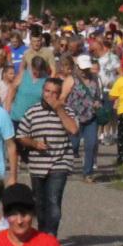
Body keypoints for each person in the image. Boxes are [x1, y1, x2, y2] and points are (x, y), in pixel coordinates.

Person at [15, 76, 80, 237]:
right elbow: (21, 135)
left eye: (53, 93)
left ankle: (51, 236)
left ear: (59, 95)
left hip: (59, 163)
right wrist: (34, 144)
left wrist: (59, 109)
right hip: (38, 164)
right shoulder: (32, 111)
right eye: (46, 91)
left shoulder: (67, 111)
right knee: (39, 203)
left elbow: (74, 130)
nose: (49, 95)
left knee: (53, 201)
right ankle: (42, 234)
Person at [66, 54, 105, 184]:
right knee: (74, 145)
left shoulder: (95, 79)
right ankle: (65, 166)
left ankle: (87, 173)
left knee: (91, 144)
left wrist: (98, 103)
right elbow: (63, 97)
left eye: (86, 69)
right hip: (75, 117)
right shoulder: (71, 79)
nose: (84, 72)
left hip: (91, 117)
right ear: (77, 67)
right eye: (81, 69)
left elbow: (99, 96)